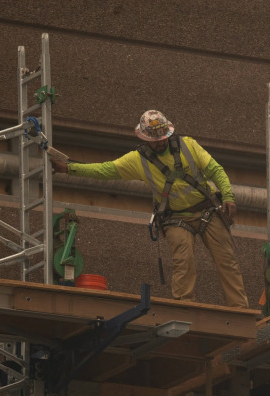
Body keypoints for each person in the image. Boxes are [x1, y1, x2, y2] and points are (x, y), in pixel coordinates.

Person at [50, 110, 249, 308]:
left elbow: (215, 170)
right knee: (183, 261)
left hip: (207, 211)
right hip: (176, 218)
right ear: (145, 138)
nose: (160, 142)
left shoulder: (188, 145)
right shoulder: (138, 160)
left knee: (227, 261)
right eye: (155, 140)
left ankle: (239, 309)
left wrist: (228, 196)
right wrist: (68, 168)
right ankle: (185, 308)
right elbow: (105, 170)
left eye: (163, 138)